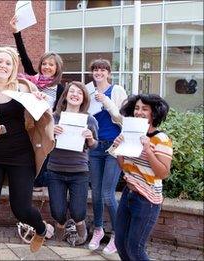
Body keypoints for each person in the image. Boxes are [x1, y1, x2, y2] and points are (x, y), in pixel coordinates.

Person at [0, 47, 55, 253]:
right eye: (0, 61)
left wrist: (41, 103)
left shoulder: (24, 87)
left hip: (21, 156)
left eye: (8, 63)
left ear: (13, 68)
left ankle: (40, 229)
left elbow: (42, 116)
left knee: (22, 210)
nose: (3, 66)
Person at [112, 94, 173, 260]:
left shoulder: (161, 139)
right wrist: (118, 149)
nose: (139, 112)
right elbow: (125, 167)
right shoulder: (130, 133)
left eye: (145, 109)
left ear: (154, 113)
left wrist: (147, 149)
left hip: (147, 199)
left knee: (135, 248)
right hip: (129, 193)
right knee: (120, 243)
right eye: (137, 108)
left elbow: (163, 173)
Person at [10, 15, 65, 189]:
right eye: (44, 64)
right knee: (26, 158)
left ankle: (39, 185)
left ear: (57, 68)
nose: (47, 67)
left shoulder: (61, 88)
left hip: (47, 128)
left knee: (43, 160)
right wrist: (16, 32)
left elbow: (61, 112)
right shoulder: (32, 80)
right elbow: (24, 55)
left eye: (51, 65)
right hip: (28, 126)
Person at [46, 81, 98, 246]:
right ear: (66, 95)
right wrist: (51, 133)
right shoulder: (54, 118)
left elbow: (94, 145)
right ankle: (60, 225)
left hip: (79, 171)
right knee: (58, 211)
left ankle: (80, 224)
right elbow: (44, 144)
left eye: (79, 93)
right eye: (72, 91)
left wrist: (90, 137)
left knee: (77, 211)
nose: (75, 95)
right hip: (55, 169)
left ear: (83, 99)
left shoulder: (89, 119)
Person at [87, 58, 127, 254]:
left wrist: (107, 102)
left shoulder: (117, 91)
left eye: (103, 69)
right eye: (95, 69)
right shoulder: (88, 91)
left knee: (107, 194)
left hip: (113, 147)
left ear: (109, 73)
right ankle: (98, 230)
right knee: (95, 194)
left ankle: (118, 235)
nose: (99, 72)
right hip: (94, 146)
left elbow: (124, 119)